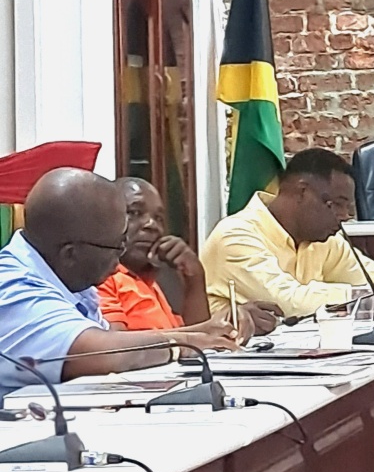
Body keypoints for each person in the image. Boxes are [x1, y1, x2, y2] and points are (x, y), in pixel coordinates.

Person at [0, 168, 238, 395]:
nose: (120, 258)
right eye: (116, 246)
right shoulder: (12, 287)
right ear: (70, 254)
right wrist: (186, 342)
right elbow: (104, 353)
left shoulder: (69, 281)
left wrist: (206, 332)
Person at [200, 148, 374, 319]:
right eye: (336, 204)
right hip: (232, 371)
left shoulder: (324, 239)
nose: (344, 216)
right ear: (303, 192)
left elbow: (373, 277)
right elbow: (290, 302)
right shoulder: (236, 236)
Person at [97, 178, 281, 335]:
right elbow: (118, 349)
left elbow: (197, 345)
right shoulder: (101, 276)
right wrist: (216, 325)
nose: (151, 225)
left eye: (159, 218)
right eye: (135, 213)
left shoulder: (149, 282)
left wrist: (194, 278)